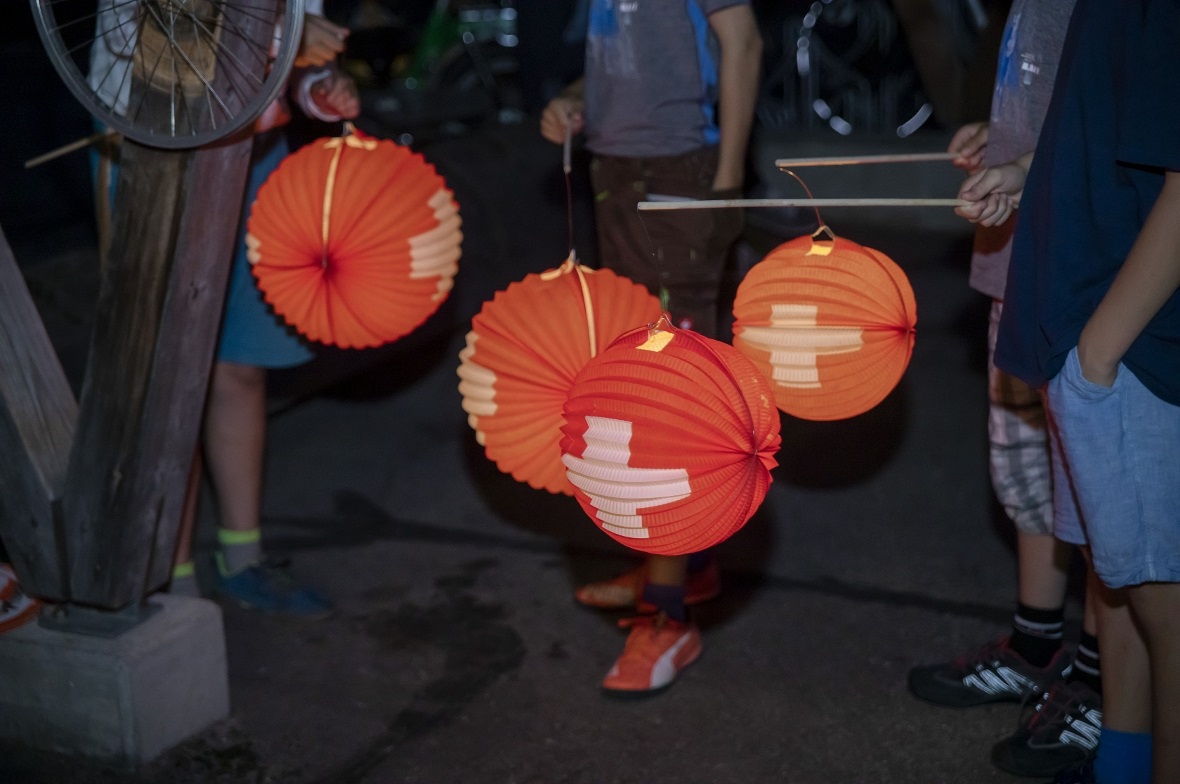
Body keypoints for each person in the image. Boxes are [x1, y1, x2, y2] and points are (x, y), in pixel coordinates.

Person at [958, 1, 1180, 782]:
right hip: (1093, 329)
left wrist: (1097, 355)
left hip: (1133, 341)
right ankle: (1118, 761)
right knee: (1121, 579)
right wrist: (1024, 171)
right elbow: (1103, 124)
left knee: (1161, 604)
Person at [87, 0, 359, 615]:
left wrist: (317, 86)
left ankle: (243, 557)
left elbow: (284, 64)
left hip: (258, 151)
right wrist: (286, 31)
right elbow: (159, 23)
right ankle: (171, 576)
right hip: (154, 142)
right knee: (167, 377)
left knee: (241, 369)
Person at [540, 0, 762, 696]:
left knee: (668, 408)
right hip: (615, 173)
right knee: (632, 375)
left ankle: (667, 619)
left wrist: (725, 186)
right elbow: (625, 70)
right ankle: (682, 569)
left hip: (680, 175)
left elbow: (744, 43)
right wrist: (574, 103)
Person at [905, 3, 1104, 779]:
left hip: (1077, 273)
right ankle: (1033, 643)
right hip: (1012, 264)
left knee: (1094, 496)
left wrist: (1028, 169)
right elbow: (1048, 98)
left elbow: (1119, 129)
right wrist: (1005, 140)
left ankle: (1097, 676)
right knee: (1025, 472)